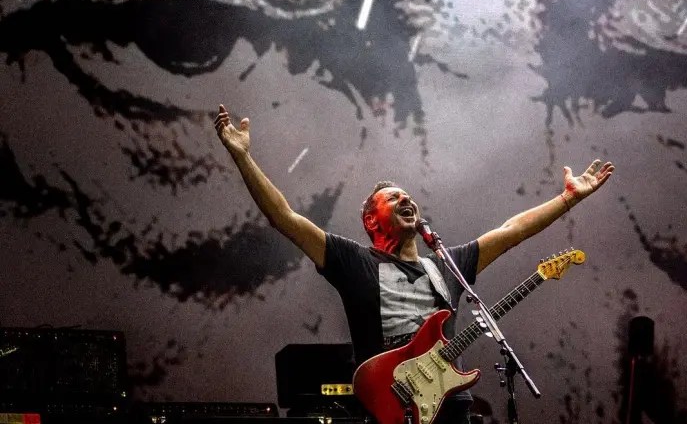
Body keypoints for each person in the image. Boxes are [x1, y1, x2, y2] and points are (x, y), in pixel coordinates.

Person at [213, 103, 613, 422]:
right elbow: (285, 218)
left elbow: (512, 230)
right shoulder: (353, 261)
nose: (406, 199)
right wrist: (243, 157)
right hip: (389, 404)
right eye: (393, 198)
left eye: (408, 197)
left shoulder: (448, 264)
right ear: (371, 220)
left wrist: (568, 199)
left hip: (450, 407)